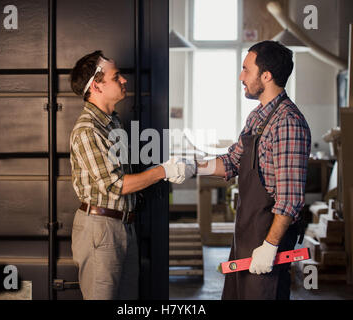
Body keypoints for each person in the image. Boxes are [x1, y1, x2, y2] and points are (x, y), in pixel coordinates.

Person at [192, 41, 311, 299]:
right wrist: (192, 166)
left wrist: (269, 246)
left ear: (266, 76)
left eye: (246, 69)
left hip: (268, 237)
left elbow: (290, 199)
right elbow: (233, 161)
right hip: (247, 234)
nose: (241, 77)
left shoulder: (288, 123)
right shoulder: (258, 117)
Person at [69, 50, 186, 300]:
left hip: (123, 226)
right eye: (116, 76)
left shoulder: (112, 123)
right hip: (100, 230)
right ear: (97, 86)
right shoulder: (88, 130)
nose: (124, 80)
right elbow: (115, 185)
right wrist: (162, 171)